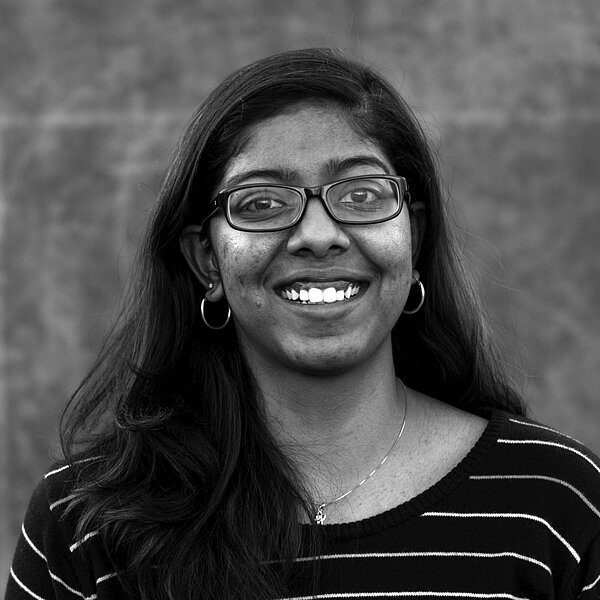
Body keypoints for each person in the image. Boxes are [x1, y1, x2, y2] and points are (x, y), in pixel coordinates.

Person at [5, 48, 600, 600]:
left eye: (362, 195)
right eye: (262, 203)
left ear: (413, 237)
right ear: (207, 260)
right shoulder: (84, 524)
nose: (318, 235)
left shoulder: (558, 503)